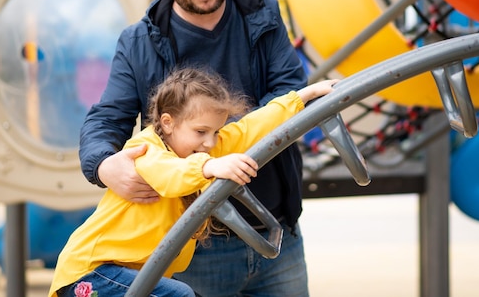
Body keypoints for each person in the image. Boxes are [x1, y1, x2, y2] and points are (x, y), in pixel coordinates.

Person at [79, 0, 311, 296]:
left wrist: (220, 143)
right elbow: (107, 118)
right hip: (194, 242)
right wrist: (104, 165)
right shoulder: (140, 42)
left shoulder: (260, 12)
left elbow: (287, 89)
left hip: (275, 227)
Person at [52, 67, 337, 296]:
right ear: (167, 122)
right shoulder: (147, 149)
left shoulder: (206, 146)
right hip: (92, 272)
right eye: (201, 131)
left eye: (215, 131)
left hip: (131, 275)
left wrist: (302, 97)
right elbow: (170, 176)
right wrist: (211, 166)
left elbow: (253, 127)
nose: (210, 141)